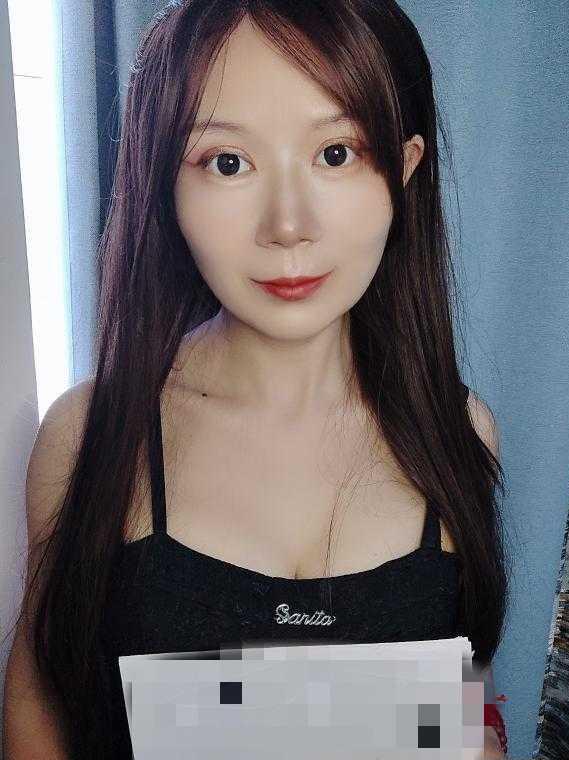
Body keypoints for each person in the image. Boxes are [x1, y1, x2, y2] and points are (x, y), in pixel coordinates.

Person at [2, 1, 511, 757]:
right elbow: (38, 709)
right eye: (227, 162)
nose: (288, 225)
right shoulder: (89, 433)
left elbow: (458, 708)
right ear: (165, 184)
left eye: (336, 153)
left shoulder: (458, 429)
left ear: (404, 171)